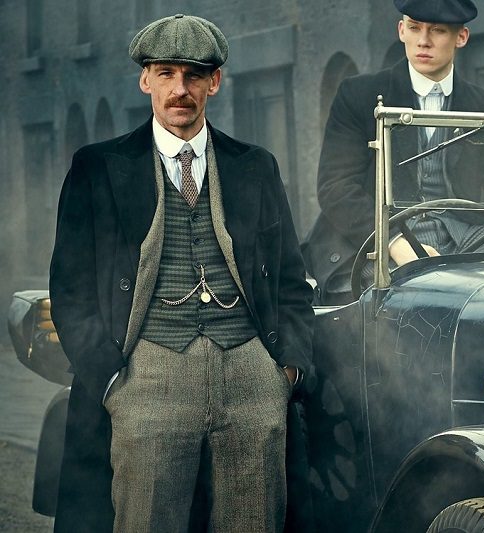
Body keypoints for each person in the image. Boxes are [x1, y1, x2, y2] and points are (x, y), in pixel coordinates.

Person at [48, 14, 315, 532]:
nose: (180, 90)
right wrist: (110, 380)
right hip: (147, 374)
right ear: (145, 80)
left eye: (194, 76)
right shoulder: (98, 166)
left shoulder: (255, 165)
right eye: (166, 74)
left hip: (250, 374)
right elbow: (71, 288)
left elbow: (290, 278)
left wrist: (284, 372)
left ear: (215, 83)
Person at [303, 0, 484, 304]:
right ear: (401, 31)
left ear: (461, 37)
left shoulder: (480, 103)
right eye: (414, 28)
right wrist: (394, 241)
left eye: (437, 30)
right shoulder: (359, 94)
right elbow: (336, 188)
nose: (423, 41)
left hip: (463, 240)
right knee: (422, 292)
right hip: (381, 239)